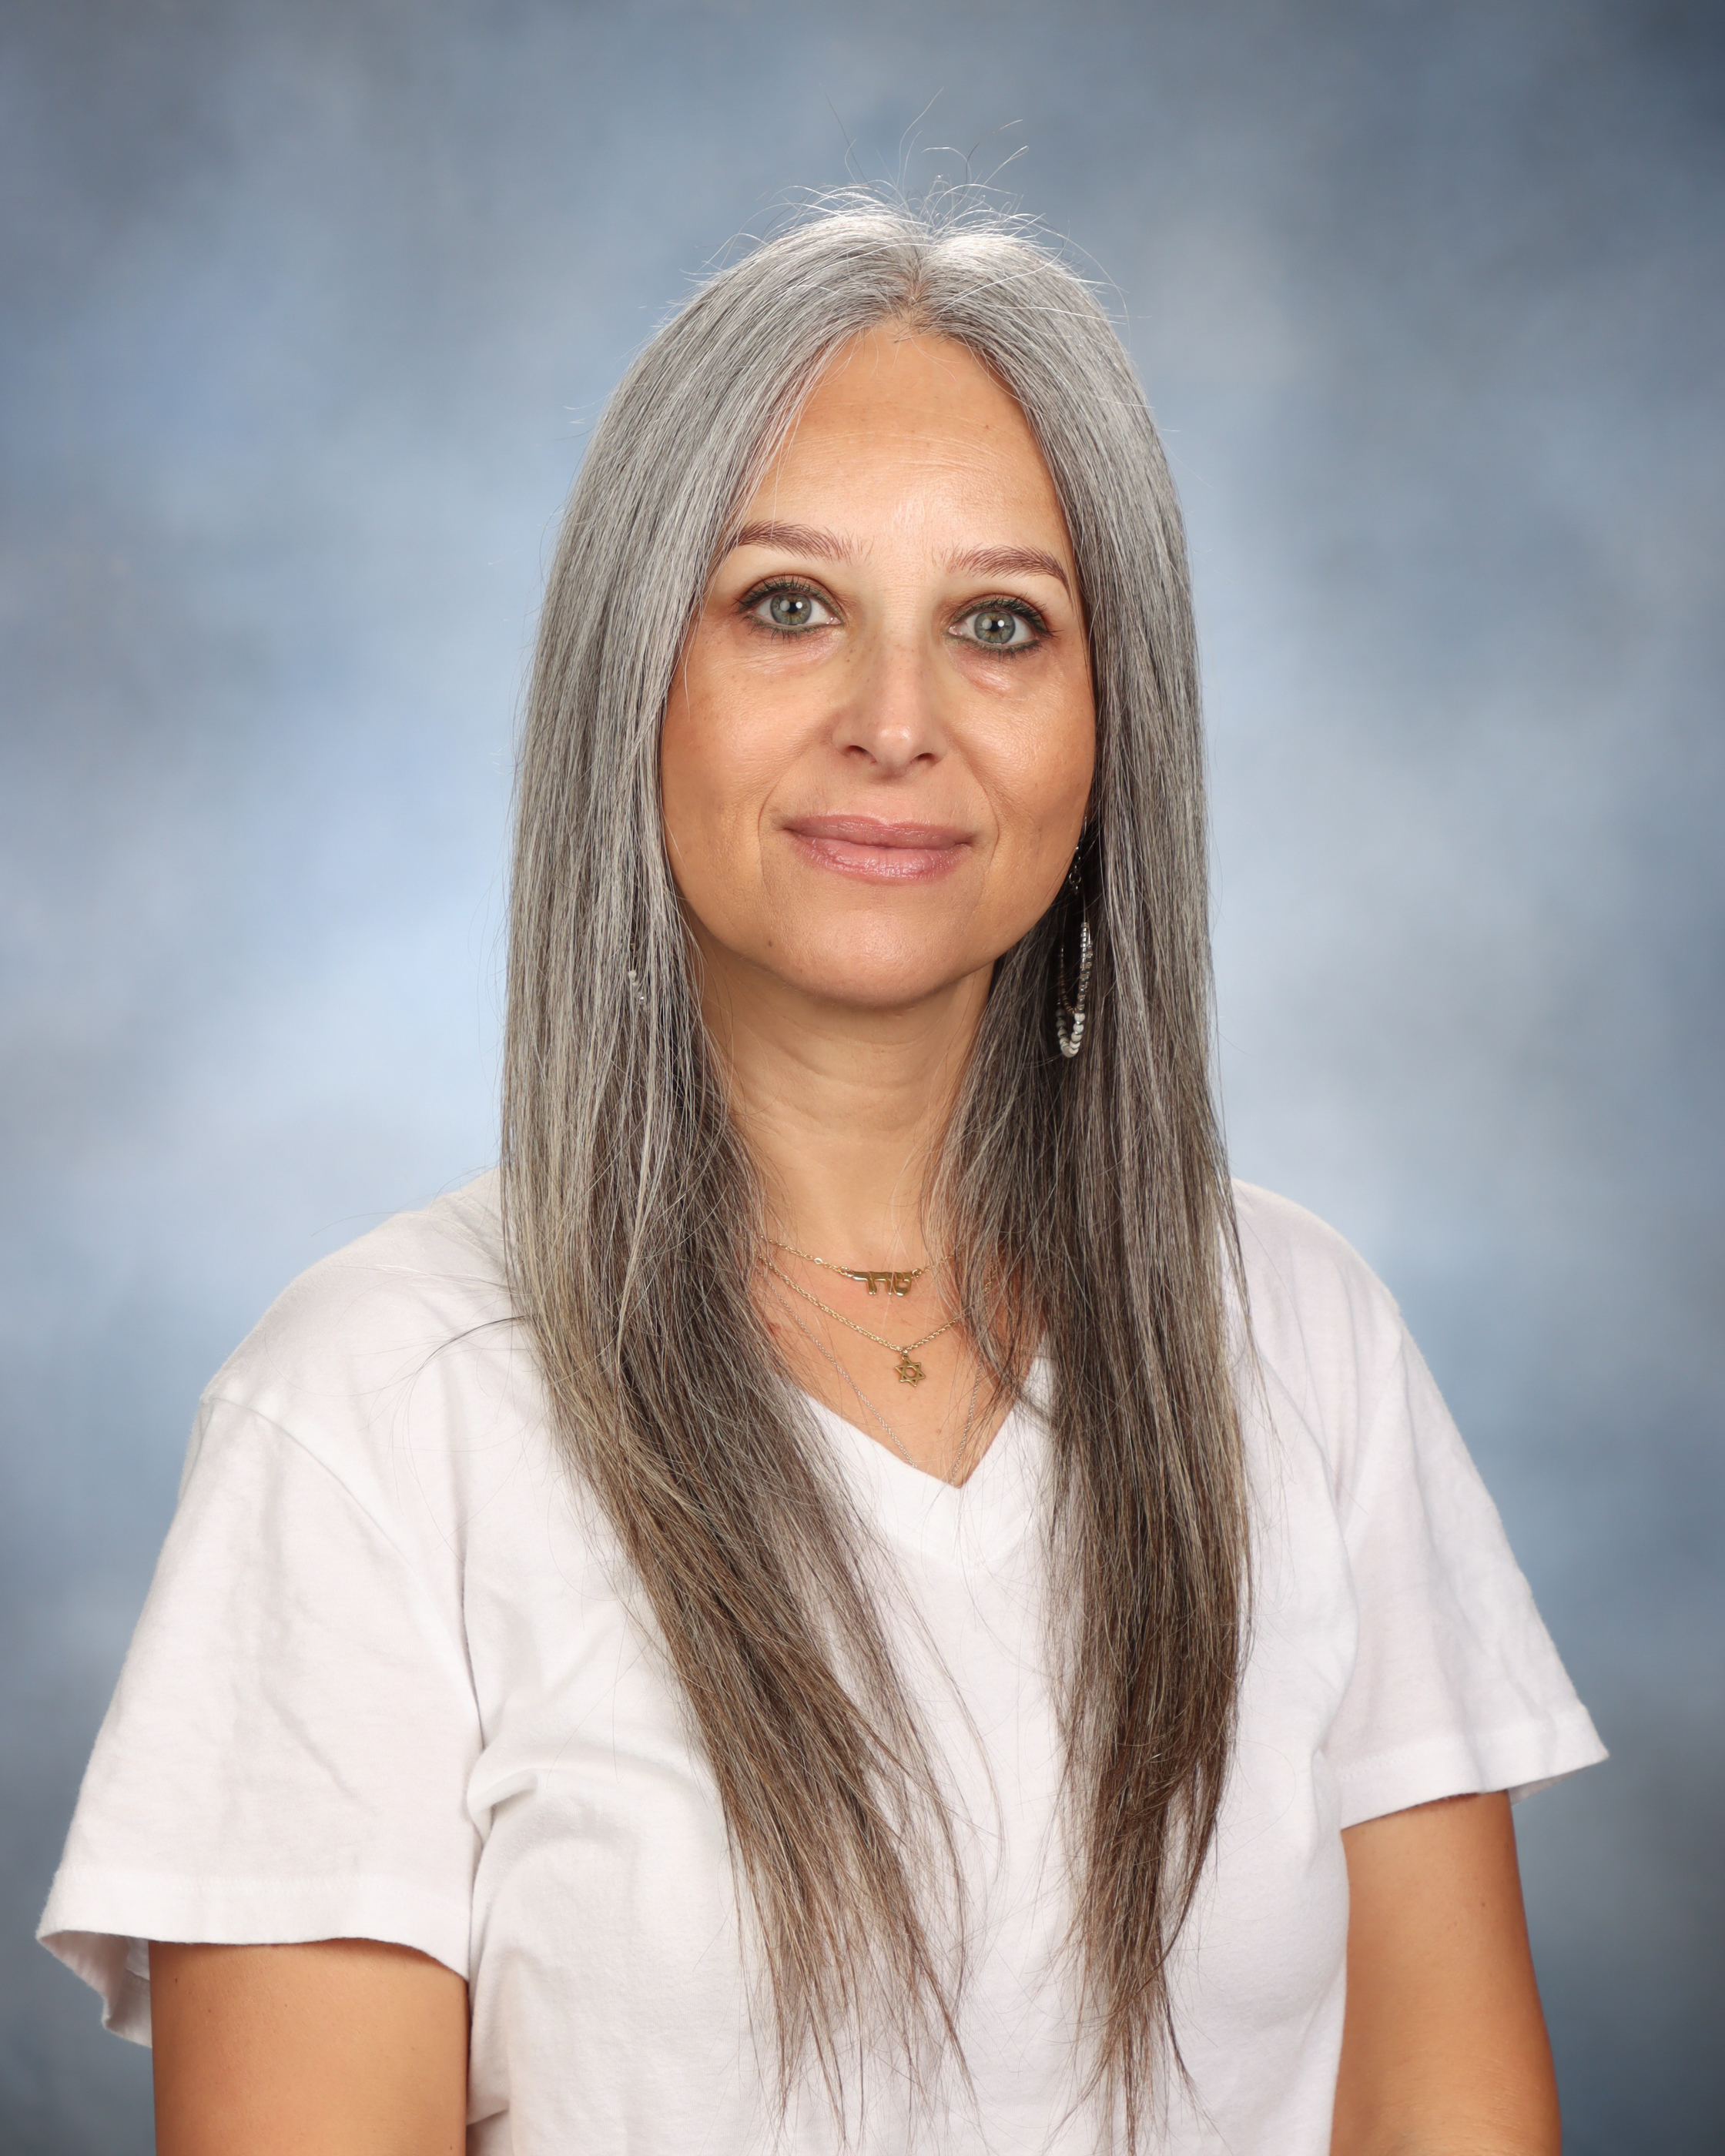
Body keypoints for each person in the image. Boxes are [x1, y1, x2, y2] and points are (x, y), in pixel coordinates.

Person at [39, 196, 1604, 2156]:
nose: (893, 722)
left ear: (1111, 731)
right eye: (787, 605)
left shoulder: (1304, 1341)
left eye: (1000, 624)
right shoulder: (369, 1407)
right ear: (635, 680)